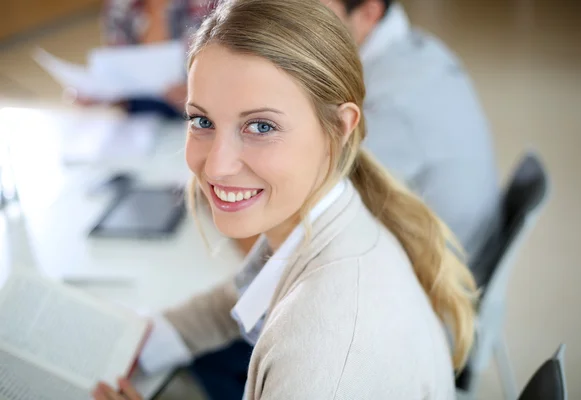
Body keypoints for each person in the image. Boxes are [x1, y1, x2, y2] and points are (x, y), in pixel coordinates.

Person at [93, 0, 477, 398]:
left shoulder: (321, 360)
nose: (217, 166)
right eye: (202, 121)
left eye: (261, 126)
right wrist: (145, 337)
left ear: (340, 129)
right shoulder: (315, 215)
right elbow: (242, 292)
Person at [322, 0, 500, 260]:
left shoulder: (393, 104)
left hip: (441, 279)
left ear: (369, 13)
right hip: (454, 246)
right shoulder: (415, 49)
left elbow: (323, 200)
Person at [72, 0, 217, 117]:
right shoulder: (120, 5)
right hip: (141, 117)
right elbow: (116, 67)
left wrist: (201, 102)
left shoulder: (210, 6)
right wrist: (101, 91)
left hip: (201, 115)